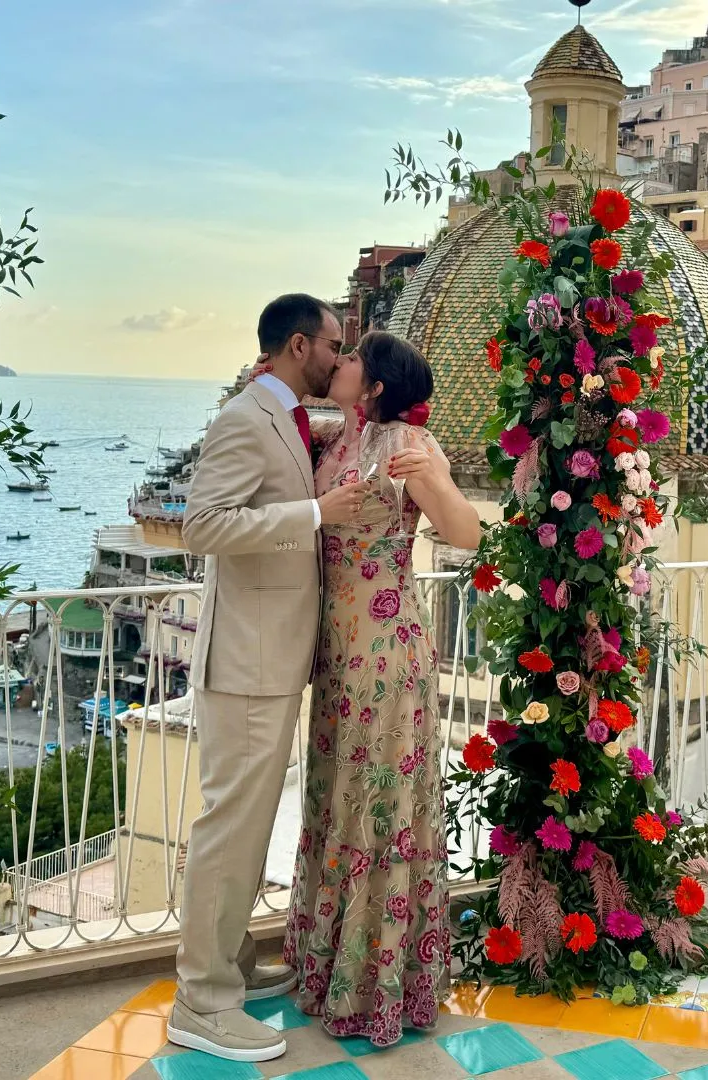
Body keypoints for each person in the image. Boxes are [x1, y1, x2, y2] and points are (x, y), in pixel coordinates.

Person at [170, 294, 371, 1062]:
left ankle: (228, 964)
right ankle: (201, 1001)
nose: (337, 355)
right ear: (297, 346)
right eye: (331, 343)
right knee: (230, 829)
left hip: (273, 656)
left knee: (249, 826)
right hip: (248, 661)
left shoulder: (283, 417)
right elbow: (203, 526)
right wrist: (315, 514)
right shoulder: (242, 418)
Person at [285, 332, 481, 1046]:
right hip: (338, 655)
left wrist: (429, 476)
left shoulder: (406, 444)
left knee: (380, 807)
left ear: (376, 384)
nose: (340, 364)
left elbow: (466, 532)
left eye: (354, 359)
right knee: (339, 798)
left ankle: (377, 983)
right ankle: (330, 962)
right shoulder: (337, 441)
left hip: (387, 656)